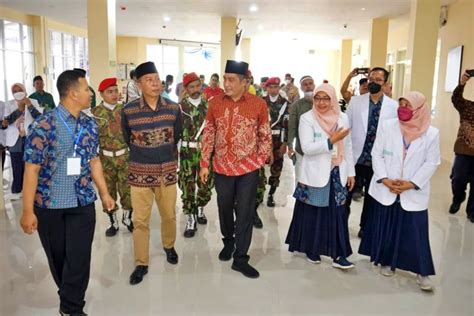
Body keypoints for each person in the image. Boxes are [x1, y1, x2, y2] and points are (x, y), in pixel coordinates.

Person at [20, 69, 115, 315]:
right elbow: (31, 169)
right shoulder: (44, 124)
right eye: (86, 89)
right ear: (72, 93)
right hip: (49, 205)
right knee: (59, 259)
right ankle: (69, 299)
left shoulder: (90, 124)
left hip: (82, 202)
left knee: (79, 259)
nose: (91, 93)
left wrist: (104, 194)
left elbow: (94, 161)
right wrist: (27, 210)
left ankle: (72, 308)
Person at [359, 91, 440, 291]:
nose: (403, 108)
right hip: (387, 186)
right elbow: (376, 153)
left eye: (408, 105)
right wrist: (385, 179)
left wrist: (411, 183)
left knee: (415, 231)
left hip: (412, 190)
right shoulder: (388, 126)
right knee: (388, 224)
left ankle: (422, 272)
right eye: (401, 103)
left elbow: (432, 162)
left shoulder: (431, 133)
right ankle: (387, 261)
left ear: (419, 109)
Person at [199, 60, 272, 279]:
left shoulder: (258, 104)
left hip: (248, 168)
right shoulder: (215, 103)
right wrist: (204, 163)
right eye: (225, 79)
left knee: (245, 212)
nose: (226, 83)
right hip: (222, 167)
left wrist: (257, 161)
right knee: (224, 207)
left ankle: (241, 258)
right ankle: (228, 242)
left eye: (231, 80)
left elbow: (265, 135)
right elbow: (209, 134)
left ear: (244, 82)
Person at [122, 61, 182, 285]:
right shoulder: (128, 111)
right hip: (139, 174)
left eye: (157, 79)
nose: (156, 83)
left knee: (169, 215)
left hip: (166, 171)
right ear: (138, 84)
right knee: (140, 221)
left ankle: (169, 246)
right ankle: (141, 262)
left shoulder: (173, 108)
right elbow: (127, 137)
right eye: (149, 80)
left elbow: (176, 136)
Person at [286, 83, 356, 269]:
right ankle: (312, 248)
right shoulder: (307, 118)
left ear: (332, 99)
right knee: (314, 212)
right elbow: (307, 148)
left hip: (338, 171)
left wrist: (351, 172)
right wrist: (331, 141)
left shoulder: (343, 117)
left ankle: (339, 254)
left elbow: (348, 146)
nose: (322, 103)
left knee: (338, 213)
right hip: (315, 172)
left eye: (326, 98)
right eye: (318, 98)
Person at [346, 67, 398, 236]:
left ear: (386, 84)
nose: (374, 82)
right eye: (371, 78)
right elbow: (347, 129)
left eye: (378, 80)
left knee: (371, 195)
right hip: (356, 156)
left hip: (377, 159)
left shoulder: (393, 106)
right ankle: (341, 223)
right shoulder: (356, 102)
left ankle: (365, 226)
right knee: (346, 193)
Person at [91, 77, 133, 237]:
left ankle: (127, 218)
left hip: (125, 157)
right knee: (107, 192)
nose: (114, 94)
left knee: (128, 191)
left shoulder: (126, 110)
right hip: (105, 160)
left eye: (115, 91)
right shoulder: (95, 114)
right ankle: (113, 221)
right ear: (101, 94)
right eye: (109, 92)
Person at [178, 72, 213, 237]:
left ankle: (200, 208)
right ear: (186, 89)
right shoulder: (179, 108)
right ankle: (190, 217)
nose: (195, 89)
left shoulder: (210, 106)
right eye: (191, 87)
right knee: (187, 186)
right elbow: (175, 132)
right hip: (187, 152)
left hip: (205, 153)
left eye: (198, 85)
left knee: (205, 185)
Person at [2, 83, 42, 200]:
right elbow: (6, 121)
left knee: (31, 165)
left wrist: (28, 105)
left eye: (20, 89)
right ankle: (17, 190)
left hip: (30, 137)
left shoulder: (33, 101)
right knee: (16, 165)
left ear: (25, 90)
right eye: (14, 90)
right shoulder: (8, 104)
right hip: (15, 138)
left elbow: (39, 118)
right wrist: (19, 110)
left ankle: (32, 190)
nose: (17, 92)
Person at [449, 70, 474, 222]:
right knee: (458, 179)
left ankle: (472, 212)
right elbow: (456, 98)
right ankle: (458, 198)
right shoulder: (467, 107)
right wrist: (463, 82)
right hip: (463, 151)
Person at [264, 77, 289, 207]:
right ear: (266, 88)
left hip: (278, 141)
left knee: (276, 169)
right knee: (259, 169)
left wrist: (285, 143)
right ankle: (258, 192)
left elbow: (287, 125)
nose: (273, 89)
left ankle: (271, 194)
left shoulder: (285, 103)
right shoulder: (261, 102)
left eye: (276, 87)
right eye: (271, 87)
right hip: (263, 141)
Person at [287, 75, 316, 184]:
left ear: (314, 85)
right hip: (301, 150)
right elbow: (292, 127)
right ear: (301, 88)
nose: (308, 86)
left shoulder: (323, 102)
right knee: (300, 180)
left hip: (320, 150)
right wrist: (290, 146)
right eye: (305, 84)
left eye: (310, 83)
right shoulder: (296, 105)